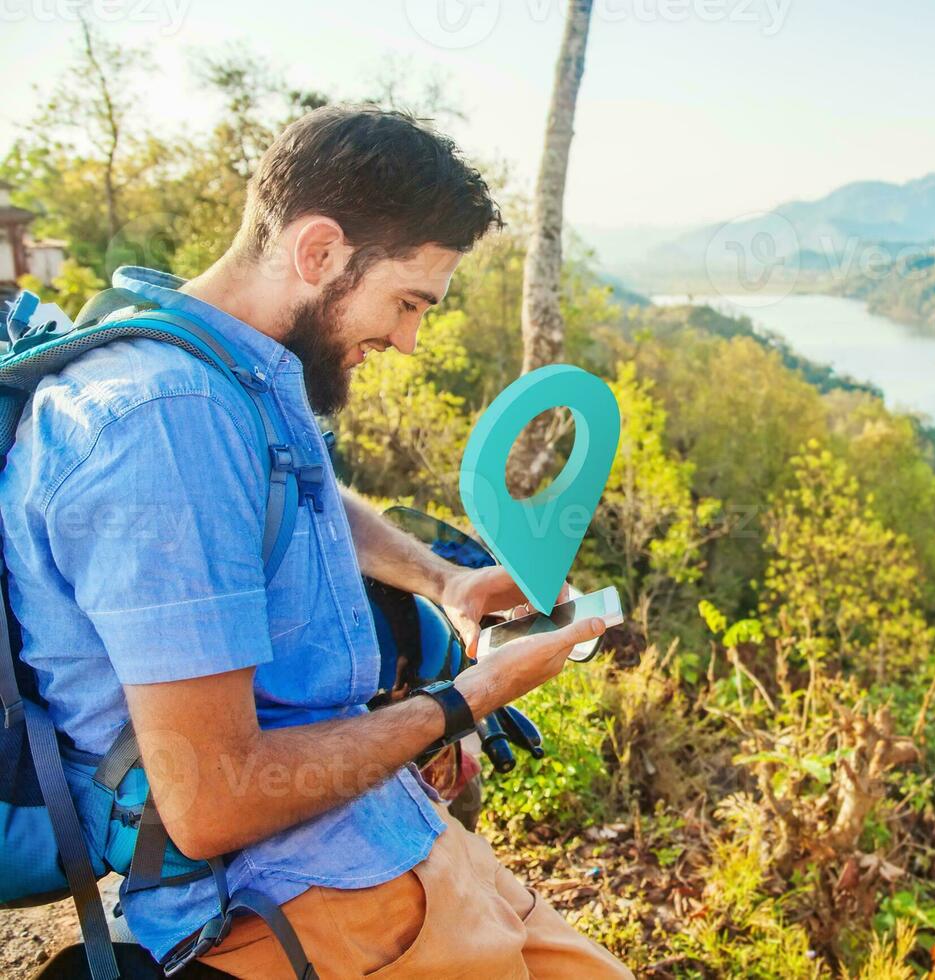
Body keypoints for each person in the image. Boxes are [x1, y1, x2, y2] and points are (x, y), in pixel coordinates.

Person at [0, 106, 632, 979]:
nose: (408, 340)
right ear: (319, 252)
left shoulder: (223, 368)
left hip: (385, 839)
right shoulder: (164, 423)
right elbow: (212, 799)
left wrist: (442, 579)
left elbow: (299, 489)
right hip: (292, 899)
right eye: (408, 302)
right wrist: (466, 700)